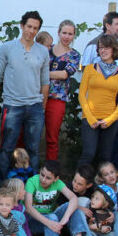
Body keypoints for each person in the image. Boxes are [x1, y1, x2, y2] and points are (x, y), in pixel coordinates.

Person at [0, 10, 49, 177]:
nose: (31, 31)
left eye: (35, 28)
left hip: (35, 107)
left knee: (34, 150)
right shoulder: (7, 48)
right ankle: (4, 187)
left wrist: (42, 107)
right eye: (29, 26)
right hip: (12, 106)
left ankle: (31, 187)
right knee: (7, 148)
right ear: (22, 26)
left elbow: (45, 81)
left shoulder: (43, 52)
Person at [78, 34, 118, 168]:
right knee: (88, 153)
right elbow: (82, 95)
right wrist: (90, 118)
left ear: (114, 50)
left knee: (105, 156)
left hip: (109, 120)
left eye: (107, 47)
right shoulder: (89, 69)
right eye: (101, 48)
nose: (103, 51)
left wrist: (110, 119)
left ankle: (102, 186)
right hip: (90, 119)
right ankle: (77, 185)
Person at [23, 160, 80, 236]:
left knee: (72, 208)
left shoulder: (58, 183)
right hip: (33, 220)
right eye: (42, 174)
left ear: (56, 179)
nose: (43, 179)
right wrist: (48, 222)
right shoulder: (32, 181)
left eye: (48, 178)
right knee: (52, 217)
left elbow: (74, 198)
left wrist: (64, 220)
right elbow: (28, 207)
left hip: (50, 218)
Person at [45, 20, 80, 162]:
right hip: (38, 96)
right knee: (30, 135)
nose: (66, 36)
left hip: (57, 99)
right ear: (58, 33)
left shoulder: (74, 55)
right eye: (64, 32)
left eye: (70, 34)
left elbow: (64, 74)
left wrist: (43, 73)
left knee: (52, 138)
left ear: (74, 36)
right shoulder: (46, 49)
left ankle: (49, 171)